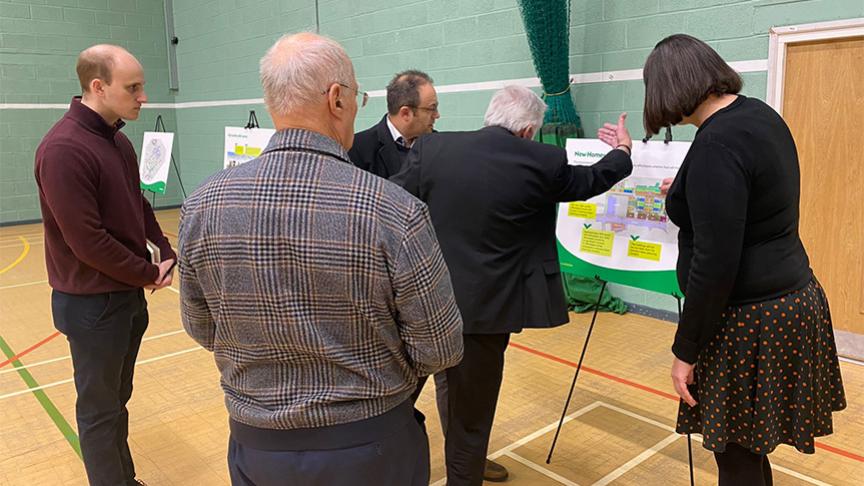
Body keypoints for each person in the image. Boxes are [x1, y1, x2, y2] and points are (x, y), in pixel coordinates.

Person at [177, 33, 463, 486]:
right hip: (373, 446)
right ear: (336, 99)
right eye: (357, 98)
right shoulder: (394, 210)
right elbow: (441, 347)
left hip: (257, 446)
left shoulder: (202, 205)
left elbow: (200, 327)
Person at [391, 85, 633, 486]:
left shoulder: (432, 150)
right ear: (526, 131)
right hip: (488, 315)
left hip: (423, 306)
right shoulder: (542, 159)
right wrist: (622, 151)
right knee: (471, 419)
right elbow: (592, 179)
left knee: (396, 404)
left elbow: (390, 201)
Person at [639, 34, 846, 486]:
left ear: (671, 91)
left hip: (751, 317)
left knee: (735, 457)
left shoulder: (716, 144)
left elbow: (714, 264)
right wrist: (690, 189)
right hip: (792, 297)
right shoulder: (756, 115)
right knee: (748, 448)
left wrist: (685, 350)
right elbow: (748, 195)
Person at [34, 44, 176, 486]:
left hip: (123, 298)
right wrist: (148, 273)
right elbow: (88, 243)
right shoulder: (63, 149)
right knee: (99, 411)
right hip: (92, 306)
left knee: (117, 402)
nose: (143, 97)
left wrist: (163, 249)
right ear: (98, 87)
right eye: (133, 87)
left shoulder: (116, 139)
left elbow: (137, 206)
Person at [348, 69, 439, 178]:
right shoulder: (358, 149)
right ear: (405, 113)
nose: (437, 115)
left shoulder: (437, 144)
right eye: (432, 108)